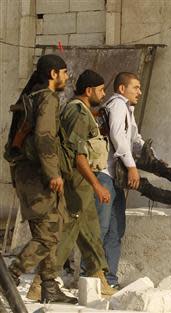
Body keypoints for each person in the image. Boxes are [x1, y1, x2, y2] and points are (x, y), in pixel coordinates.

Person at [26, 70, 117, 300]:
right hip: (77, 181)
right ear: (89, 91)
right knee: (67, 231)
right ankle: (40, 283)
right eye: (101, 90)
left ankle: (99, 277)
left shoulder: (83, 111)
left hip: (82, 183)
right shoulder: (77, 113)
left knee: (91, 232)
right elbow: (78, 156)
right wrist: (96, 184)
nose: (104, 94)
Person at [4, 54, 77, 304]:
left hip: (26, 175)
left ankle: (49, 286)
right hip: (38, 177)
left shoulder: (30, 97)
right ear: (53, 74)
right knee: (48, 234)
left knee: (48, 229)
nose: (67, 78)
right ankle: (9, 276)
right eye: (64, 72)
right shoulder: (47, 97)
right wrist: (53, 174)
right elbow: (45, 137)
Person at [95, 72, 145, 288]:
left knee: (116, 229)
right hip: (106, 174)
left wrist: (155, 159)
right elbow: (117, 136)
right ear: (122, 89)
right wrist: (132, 167)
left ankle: (109, 279)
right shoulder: (117, 105)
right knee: (101, 228)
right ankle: (91, 277)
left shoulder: (128, 110)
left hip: (116, 177)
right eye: (136, 87)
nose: (140, 92)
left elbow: (134, 139)